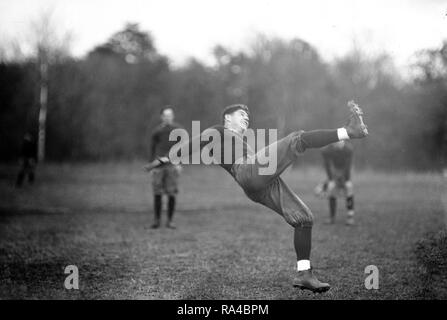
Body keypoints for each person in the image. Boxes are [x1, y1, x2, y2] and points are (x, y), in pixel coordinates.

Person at [144, 101, 368, 292]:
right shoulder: (219, 131)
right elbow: (195, 144)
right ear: (227, 119)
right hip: (247, 173)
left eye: (248, 116)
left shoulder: (241, 142)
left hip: (257, 184)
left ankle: (304, 274)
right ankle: (349, 131)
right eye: (241, 114)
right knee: (296, 139)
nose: (246, 118)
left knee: (304, 218)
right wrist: (167, 159)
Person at [148, 106, 183, 229]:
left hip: (172, 165)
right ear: (162, 117)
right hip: (158, 166)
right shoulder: (157, 131)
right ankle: (156, 221)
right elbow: (152, 149)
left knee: (171, 193)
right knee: (157, 193)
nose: (168, 117)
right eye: (165, 115)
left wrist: (180, 164)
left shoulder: (178, 130)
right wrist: (152, 165)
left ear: (173, 116)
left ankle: (170, 221)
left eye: (170, 115)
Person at [320, 140, 355, 225]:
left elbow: (348, 165)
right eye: (336, 143)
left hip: (345, 169)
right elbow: (327, 165)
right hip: (335, 169)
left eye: (340, 142)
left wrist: (347, 180)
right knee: (332, 191)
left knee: (349, 189)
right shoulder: (327, 150)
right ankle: (332, 218)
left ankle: (350, 218)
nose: (338, 144)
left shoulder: (348, 149)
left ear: (344, 142)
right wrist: (331, 179)